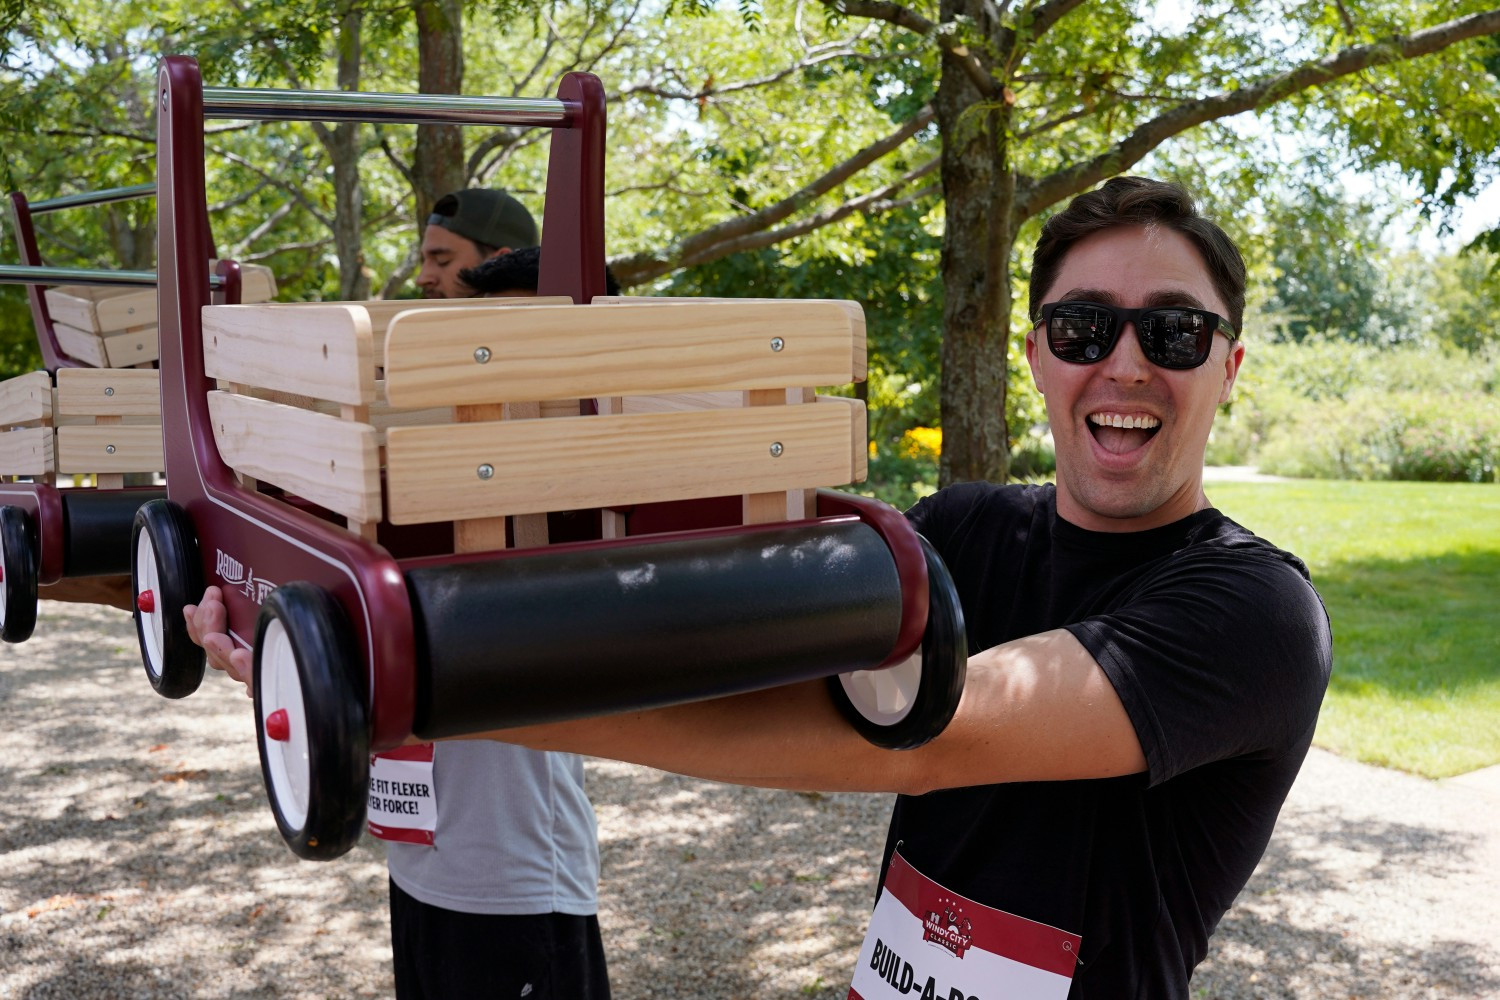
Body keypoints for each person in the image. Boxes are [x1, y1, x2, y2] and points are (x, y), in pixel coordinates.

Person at [192, 176, 1331, 998]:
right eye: (1085, 326)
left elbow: (929, 736)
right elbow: (681, 615)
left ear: (1228, 364)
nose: (1124, 363)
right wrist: (318, 599)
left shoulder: (1251, 613)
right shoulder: (971, 530)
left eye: (1174, 333)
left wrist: (404, 679)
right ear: (1036, 352)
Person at [188, 190, 610, 1000]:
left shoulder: (554, 462)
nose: (424, 281)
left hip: (512, 882)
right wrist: (274, 654)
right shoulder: (415, 455)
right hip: (420, 856)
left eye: (442, 264)